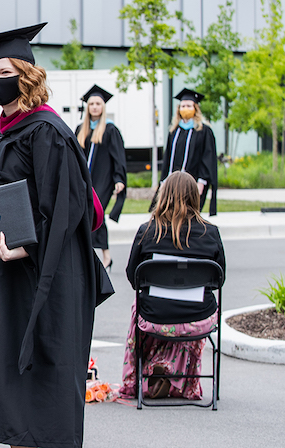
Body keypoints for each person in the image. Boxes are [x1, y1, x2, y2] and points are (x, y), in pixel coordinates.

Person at [0, 24, 112, 448]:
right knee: (18, 393)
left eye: (4, 70)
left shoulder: (46, 131)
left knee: (44, 391)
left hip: (46, 278)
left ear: (27, 74)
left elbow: (66, 210)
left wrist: (26, 246)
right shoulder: (3, 128)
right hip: (13, 275)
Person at [121, 171, 226, 400]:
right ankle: (178, 377)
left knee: (139, 307)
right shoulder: (211, 233)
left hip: (154, 317)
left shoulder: (147, 231)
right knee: (180, 313)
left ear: (163, 195)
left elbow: (133, 278)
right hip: (199, 319)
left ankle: (145, 374)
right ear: (195, 197)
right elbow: (219, 280)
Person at [75, 84, 127, 271]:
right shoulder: (81, 129)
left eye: (98, 103)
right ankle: (103, 256)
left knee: (97, 214)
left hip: (103, 181)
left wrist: (119, 178)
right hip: (84, 181)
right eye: (91, 104)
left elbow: (118, 156)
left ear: (103, 106)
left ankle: (103, 256)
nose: (95, 107)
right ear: (87, 107)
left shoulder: (111, 130)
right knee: (88, 216)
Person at [159, 88, 218, 216]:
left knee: (190, 215)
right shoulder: (174, 131)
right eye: (183, 106)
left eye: (189, 106)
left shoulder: (203, 131)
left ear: (195, 108)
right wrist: (163, 181)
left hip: (193, 183)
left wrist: (201, 181)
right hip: (172, 183)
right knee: (170, 215)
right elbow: (168, 157)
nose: (185, 108)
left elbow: (207, 157)